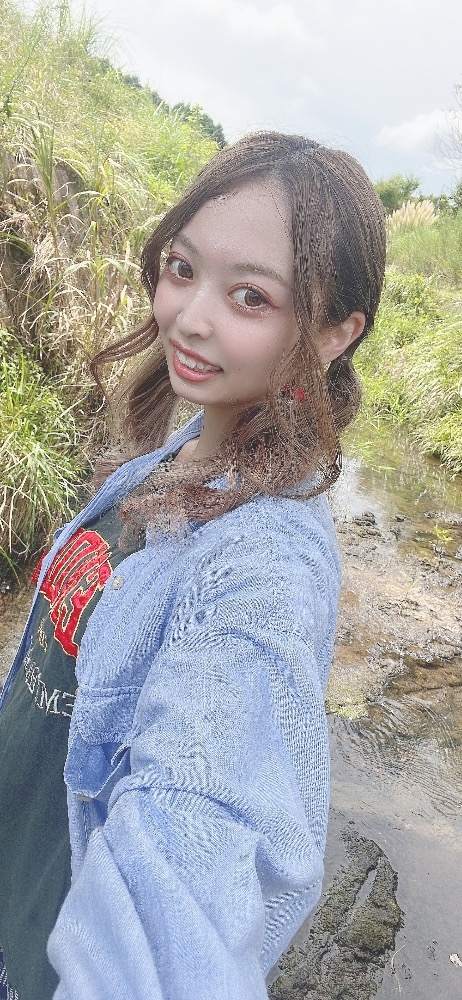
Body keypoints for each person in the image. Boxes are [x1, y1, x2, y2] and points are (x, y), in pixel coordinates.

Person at [0, 131, 386, 1000]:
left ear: (336, 333)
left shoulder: (265, 565)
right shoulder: (178, 454)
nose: (191, 317)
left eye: (251, 296)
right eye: (182, 268)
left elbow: (192, 855)